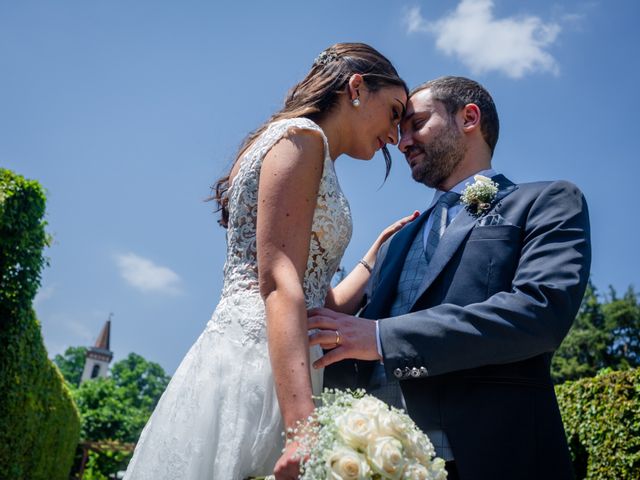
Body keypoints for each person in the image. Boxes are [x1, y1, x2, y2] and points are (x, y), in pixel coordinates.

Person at [123, 43, 412, 479]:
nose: (396, 135)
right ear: (356, 88)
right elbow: (278, 282)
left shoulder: (298, 145)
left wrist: (376, 254)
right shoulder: (302, 139)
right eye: (393, 112)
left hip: (285, 353)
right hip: (261, 368)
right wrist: (301, 429)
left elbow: (321, 306)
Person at [309, 76, 591, 480]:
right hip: (377, 461)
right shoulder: (396, 238)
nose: (401, 141)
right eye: (400, 129)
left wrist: (380, 338)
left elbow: (539, 311)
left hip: (493, 457)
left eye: (416, 124)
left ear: (469, 118)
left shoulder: (546, 202)